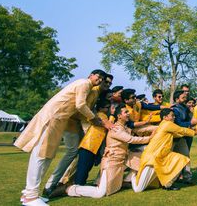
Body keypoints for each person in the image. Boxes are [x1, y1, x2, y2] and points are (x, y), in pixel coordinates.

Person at [15, 69, 106, 206]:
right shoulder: (84, 84)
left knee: (46, 156)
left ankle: (31, 194)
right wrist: (94, 119)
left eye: (101, 80)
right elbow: (80, 105)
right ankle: (30, 196)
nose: (98, 81)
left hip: (59, 120)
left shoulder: (87, 87)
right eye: (97, 77)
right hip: (53, 118)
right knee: (41, 155)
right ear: (90, 75)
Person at [44, 74, 114, 196]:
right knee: (72, 152)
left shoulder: (97, 93)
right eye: (104, 81)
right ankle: (53, 184)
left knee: (78, 155)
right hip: (69, 120)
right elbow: (81, 106)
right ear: (92, 76)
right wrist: (98, 120)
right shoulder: (89, 88)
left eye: (109, 83)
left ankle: (65, 182)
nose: (106, 84)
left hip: (78, 123)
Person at [66, 104, 152, 198]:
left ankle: (130, 179)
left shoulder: (125, 128)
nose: (128, 114)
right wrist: (149, 138)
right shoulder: (116, 128)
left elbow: (140, 130)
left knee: (114, 188)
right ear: (119, 116)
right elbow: (131, 139)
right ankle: (72, 189)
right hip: (111, 162)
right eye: (126, 112)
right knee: (100, 193)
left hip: (120, 161)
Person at [133, 108, 197, 192]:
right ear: (165, 117)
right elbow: (182, 130)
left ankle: (168, 184)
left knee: (183, 159)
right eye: (172, 116)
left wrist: (192, 131)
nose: (174, 117)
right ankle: (133, 176)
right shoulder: (168, 124)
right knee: (138, 189)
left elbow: (177, 134)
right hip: (153, 157)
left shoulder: (164, 125)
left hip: (162, 155)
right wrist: (196, 132)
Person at [171, 90, 195, 184]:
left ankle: (187, 178)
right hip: (172, 138)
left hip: (181, 138)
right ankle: (171, 179)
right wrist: (191, 123)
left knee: (186, 157)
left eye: (185, 97)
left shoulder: (184, 108)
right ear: (177, 99)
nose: (185, 99)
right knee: (172, 159)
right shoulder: (174, 109)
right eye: (183, 98)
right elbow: (178, 124)